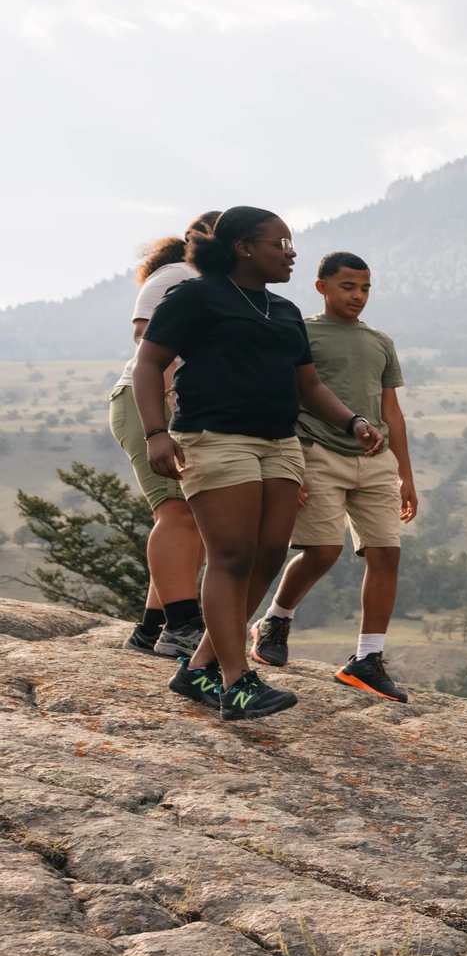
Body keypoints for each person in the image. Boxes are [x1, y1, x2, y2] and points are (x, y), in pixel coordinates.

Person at [132, 208, 386, 722]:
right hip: (214, 438)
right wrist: (157, 432)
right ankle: (235, 683)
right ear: (244, 248)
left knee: (269, 554)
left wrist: (353, 421)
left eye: (291, 245)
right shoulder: (197, 296)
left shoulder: (285, 310)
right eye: (281, 245)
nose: (291, 254)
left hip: (278, 442)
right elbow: (149, 362)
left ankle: (198, 667)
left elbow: (308, 386)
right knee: (232, 556)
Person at [252, 252, 418, 701]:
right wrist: (290, 465)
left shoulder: (380, 342)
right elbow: (283, 396)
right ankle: (276, 621)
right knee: (322, 551)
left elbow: (391, 412)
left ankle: (367, 659)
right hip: (316, 453)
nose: (358, 297)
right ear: (321, 286)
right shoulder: (301, 333)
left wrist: (405, 473)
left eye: (365, 288)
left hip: (376, 459)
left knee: (387, 554)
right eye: (348, 287)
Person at [105, 216, 214, 658]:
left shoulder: (211, 285)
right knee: (179, 514)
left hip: (177, 407)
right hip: (148, 402)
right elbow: (148, 340)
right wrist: (167, 414)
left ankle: (152, 628)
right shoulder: (178, 276)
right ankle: (183, 625)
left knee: (193, 519)